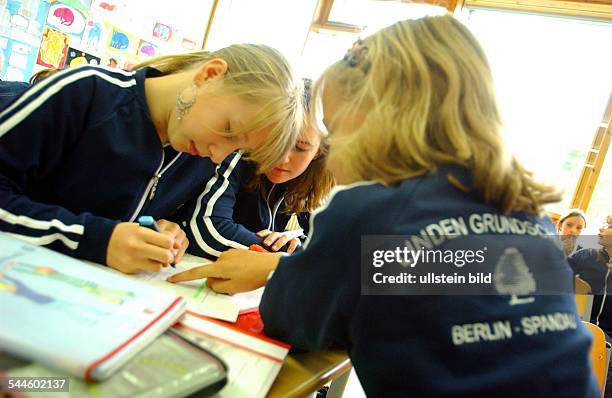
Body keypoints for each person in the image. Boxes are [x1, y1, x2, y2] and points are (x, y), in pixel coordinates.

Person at [168, 15, 599, 397]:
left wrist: (283, 274)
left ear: (377, 119)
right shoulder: (528, 215)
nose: (332, 154)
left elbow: (290, 320)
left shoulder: (367, 212)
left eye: (338, 131)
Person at [0, 44, 302, 275]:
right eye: (228, 130)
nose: (219, 154)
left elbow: (126, 215)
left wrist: (162, 232)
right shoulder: (88, 92)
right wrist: (96, 238)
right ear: (209, 75)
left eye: (236, 149)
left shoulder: (197, 152)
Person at [176, 78, 335, 258]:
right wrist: (283, 257)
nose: (282, 157)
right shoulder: (237, 154)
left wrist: (293, 239)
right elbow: (207, 232)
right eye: (275, 140)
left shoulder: (314, 182)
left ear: (318, 152)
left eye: (300, 147)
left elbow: (324, 247)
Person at [568, 215, 612, 335]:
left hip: (608, 337)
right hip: (580, 327)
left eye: (609, 226)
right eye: (604, 224)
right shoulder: (587, 254)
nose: (601, 229)